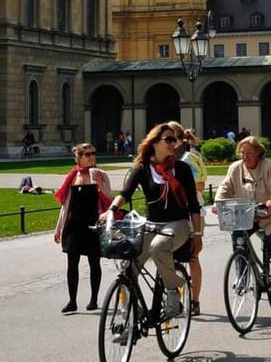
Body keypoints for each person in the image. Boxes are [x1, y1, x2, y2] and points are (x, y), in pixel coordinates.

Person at [100, 123, 201, 325]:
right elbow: (125, 195)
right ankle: (131, 313)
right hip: (151, 224)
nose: (173, 143)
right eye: (168, 139)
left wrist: (197, 234)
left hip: (178, 224)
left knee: (158, 247)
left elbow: (193, 204)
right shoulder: (142, 168)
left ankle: (174, 291)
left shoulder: (181, 169)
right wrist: (111, 210)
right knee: (127, 268)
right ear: (155, 142)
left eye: (175, 139)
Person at [216, 136, 271, 296]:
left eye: (249, 153)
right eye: (242, 153)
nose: (245, 156)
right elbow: (225, 186)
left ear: (258, 152)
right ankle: (242, 277)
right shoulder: (235, 168)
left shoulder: (269, 167)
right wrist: (218, 202)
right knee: (238, 238)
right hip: (247, 215)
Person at [54, 143, 112, 313]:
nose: (92, 157)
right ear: (78, 157)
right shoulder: (72, 176)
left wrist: (100, 185)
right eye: (87, 154)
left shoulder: (101, 174)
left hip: (94, 224)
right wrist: (59, 228)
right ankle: (72, 301)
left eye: (93, 153)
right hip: (74, 225)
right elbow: (66, 205)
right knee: (72, 263)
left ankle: (94, 299)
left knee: (94, 262)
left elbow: (110, 200)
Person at [177, 127, 209, 315]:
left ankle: (194, 301)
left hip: (191, 213)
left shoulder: (187, 159)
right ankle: (178, 299)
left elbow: (200, 185)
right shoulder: (167, 160)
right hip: (173, 214)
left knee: (191, 257)